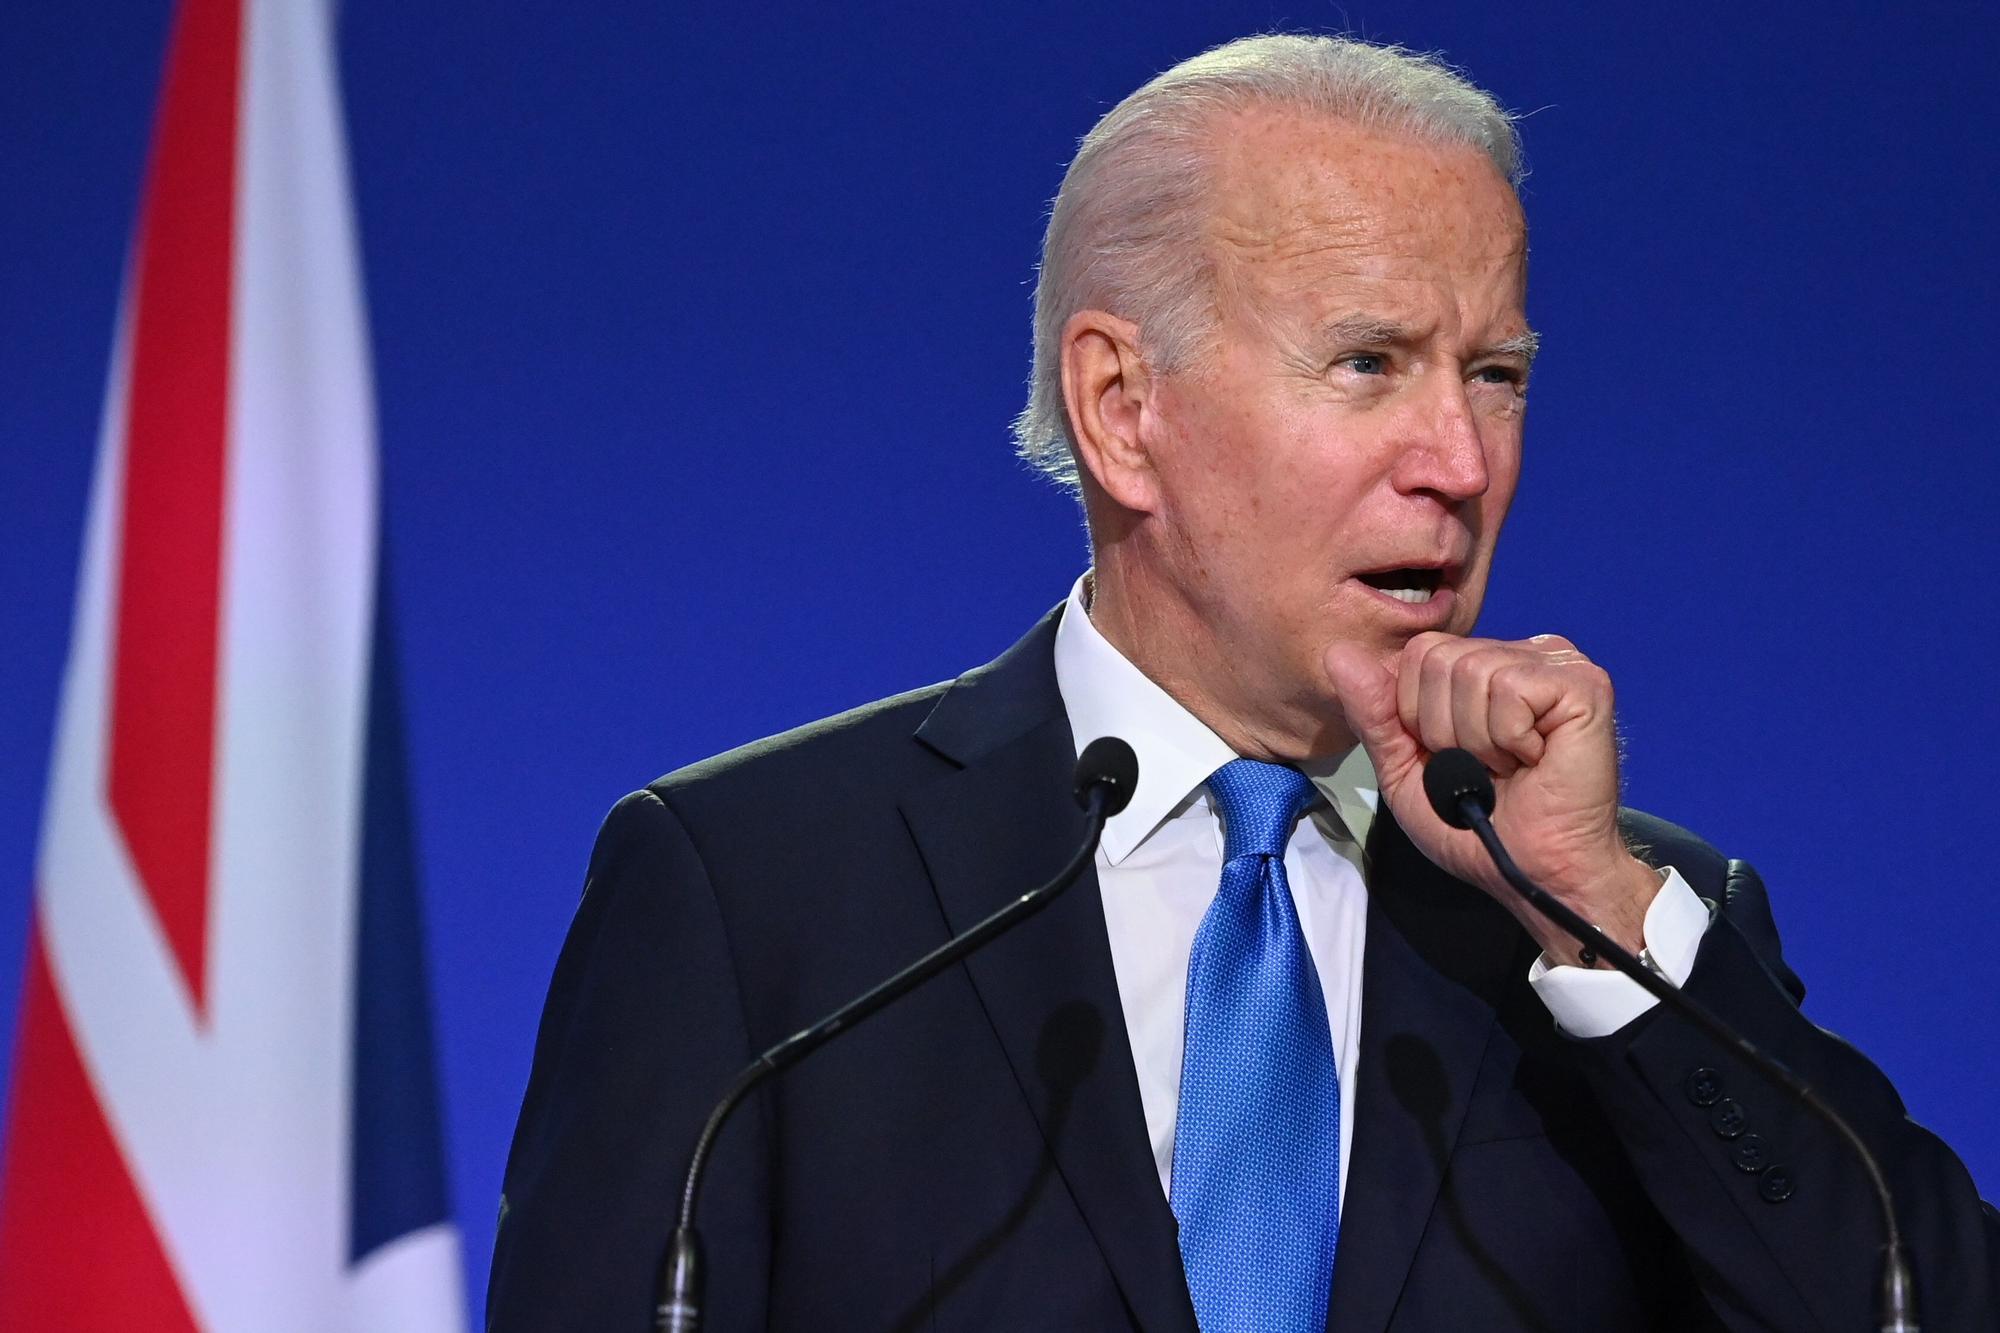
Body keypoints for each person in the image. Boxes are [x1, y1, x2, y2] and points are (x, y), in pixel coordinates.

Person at [487, 33, 1998, 1332]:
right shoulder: (757, 902)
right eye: (1369, 364)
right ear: (1122, 407)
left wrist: (1597, 921)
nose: (1461, 465)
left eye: (1496, 373)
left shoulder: (1622, 927)